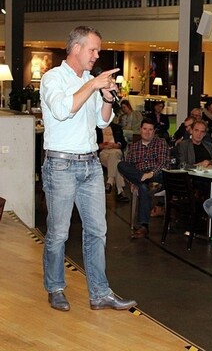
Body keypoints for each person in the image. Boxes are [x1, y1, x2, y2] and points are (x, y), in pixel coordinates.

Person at [40, 25, 136, 311]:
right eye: (93, 49)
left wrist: (106, 99)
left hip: (90, 164)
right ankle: (55, 287)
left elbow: (102, 122)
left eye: (98, 50)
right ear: (77, 48)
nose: (97, 55)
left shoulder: (91, 81)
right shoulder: (52, 78)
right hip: (60, 164)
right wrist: (93, 86)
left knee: (97, 230)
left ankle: (100, 293)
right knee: (59, 233)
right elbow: (62, 109)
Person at [118, 118, 170, 239]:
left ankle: (143, 226)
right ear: (140, 130)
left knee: (158, 175)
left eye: (150, 130)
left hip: (158, 177)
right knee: (121, 165)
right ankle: (143, 181)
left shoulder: (161, 143)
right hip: (141, 177)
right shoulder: (134, 147)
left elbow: (163, 164)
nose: (147, 132)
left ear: (154, 131)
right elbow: (128, 168)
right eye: (145, 129)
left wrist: (150, 174)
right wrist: (135, 180)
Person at [96, 121, 129, 202]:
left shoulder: (117, 127)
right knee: (117, 163)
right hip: (104, 152)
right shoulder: (96, 127)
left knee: (114, 154)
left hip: (116, 150)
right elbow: (92, 143)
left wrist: (118, 145)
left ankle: (110, 181)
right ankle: (120, 191)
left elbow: (123, 143)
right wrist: (100, 145)